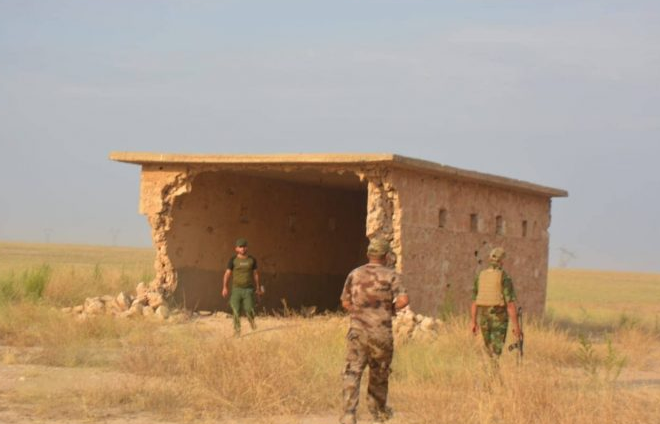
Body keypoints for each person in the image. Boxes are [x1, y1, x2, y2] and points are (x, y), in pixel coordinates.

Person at [339, 238, 409, 424]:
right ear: (386, 256)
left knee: (353, 371)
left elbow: (345, 301)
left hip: (357, 332)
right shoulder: (392, 275)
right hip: (381, 333)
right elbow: (403, 300)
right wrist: (388, 310)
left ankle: (348, 414)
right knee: (379, 373)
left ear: (368, 254)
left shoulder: (354, 274)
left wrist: (359, 312)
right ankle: (377, 413)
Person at [470, 247, 522, 360]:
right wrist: (516, 327)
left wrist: (473, 322)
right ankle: (493, 374)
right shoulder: (504, 277)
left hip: (484, 319)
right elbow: (510, 305)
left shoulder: (480, 276)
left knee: (488, 348)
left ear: (490, 259)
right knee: (496, 352)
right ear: (502, 261)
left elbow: (474, 301)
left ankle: (490, 372)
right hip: (499, 319)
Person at [222, 238, 262, 337]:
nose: (243, 249)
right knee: (236, 310)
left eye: (244, 247)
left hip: (248, 290)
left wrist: (258, 287)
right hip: (236, 289)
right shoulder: (233, 260)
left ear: (247, 248)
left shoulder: (252, 260)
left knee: (249, 309)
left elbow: (255, 274)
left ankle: (252, 321)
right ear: (236, 249)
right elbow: (227, 274)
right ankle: (237, 331)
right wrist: (225, 287)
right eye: (240, 247)